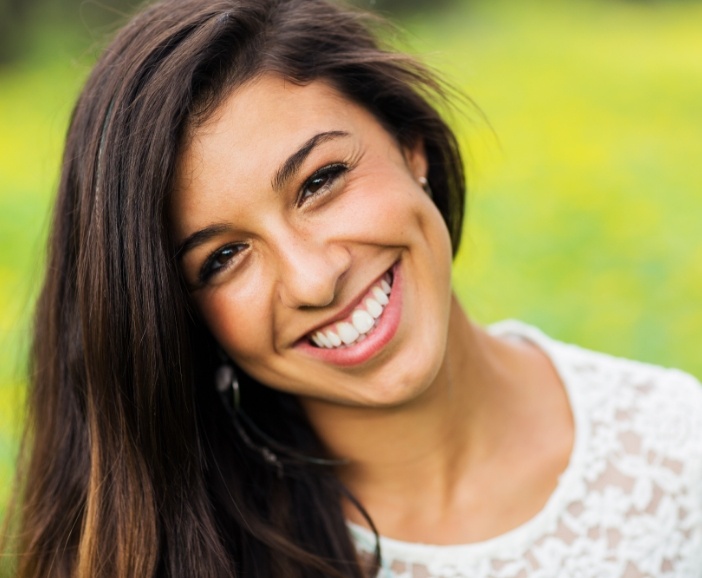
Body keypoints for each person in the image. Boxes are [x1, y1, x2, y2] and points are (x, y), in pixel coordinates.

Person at [6, 0, 702, 576]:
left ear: (412, 145)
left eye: (319, 182)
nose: (313, 277)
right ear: (180, 320)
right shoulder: (173, 550)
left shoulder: (679, 454)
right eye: (222, 259)